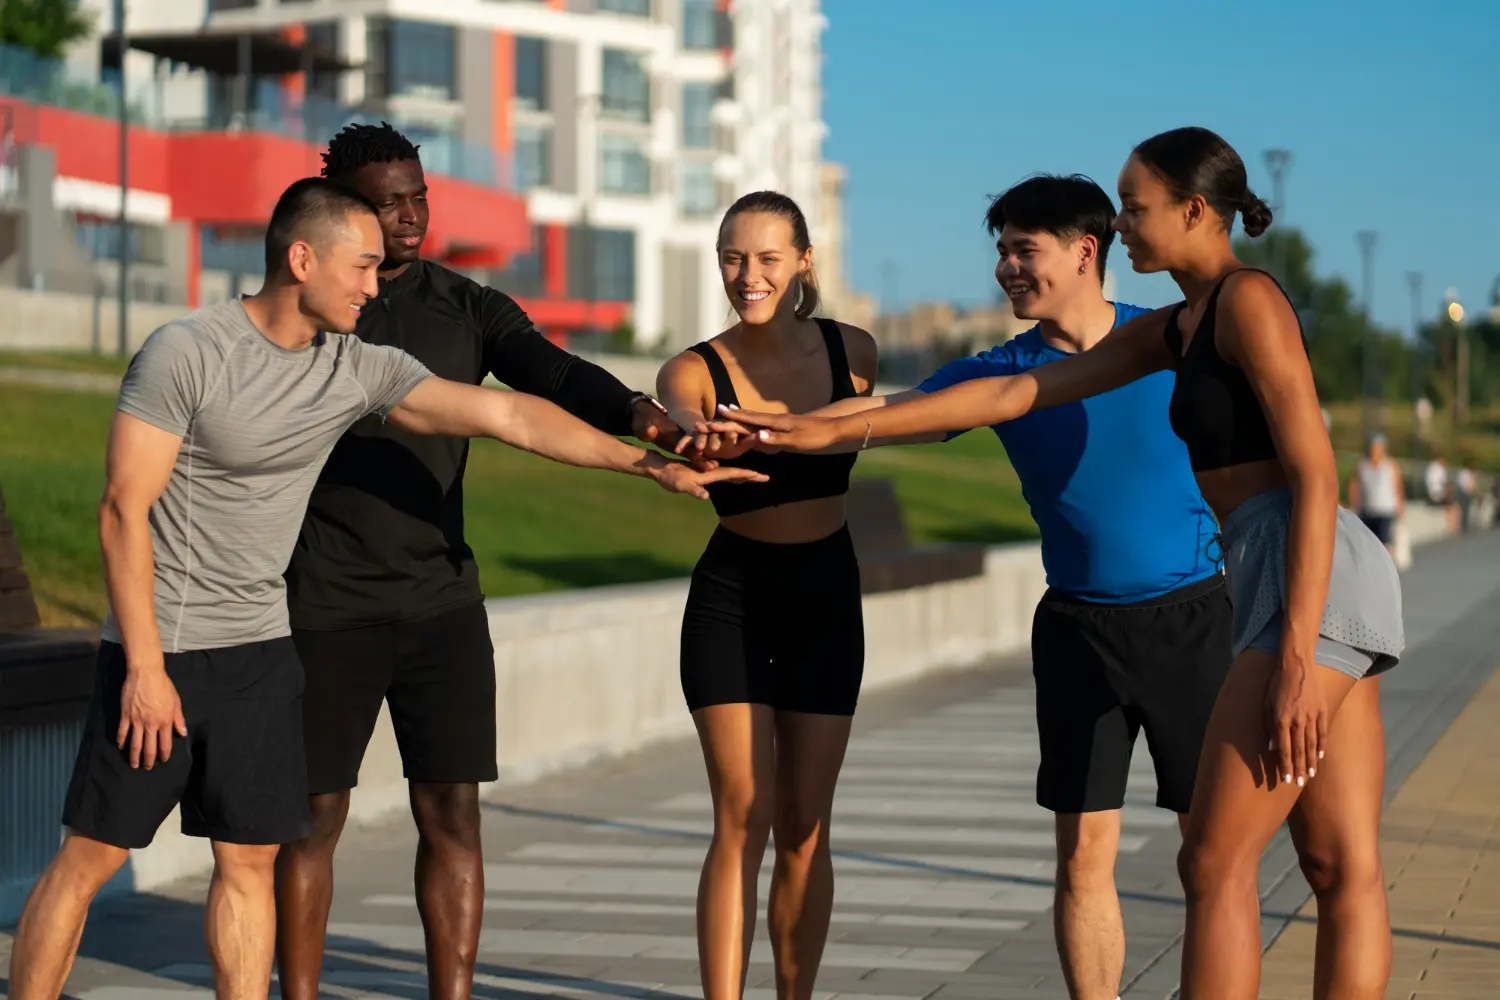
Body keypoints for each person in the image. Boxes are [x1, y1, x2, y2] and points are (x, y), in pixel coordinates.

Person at [4, 177, 759, 1000]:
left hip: (261, 651)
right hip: (167, 651)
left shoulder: (353, 367)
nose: (376, 283)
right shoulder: (188, 352)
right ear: (302, 259)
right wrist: (145, 669)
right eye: (361, 267)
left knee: (251, 864)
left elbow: (509, 416)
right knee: (93, 858)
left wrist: (649, 462)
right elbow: (121, 512)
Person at [713, 127, 1405, 1000]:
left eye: (1135, 206)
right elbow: (1009, 393)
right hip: (1263, 571)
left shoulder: (1249, 300)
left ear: (1194, 211)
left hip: (1306, 571)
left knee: (1217, 859)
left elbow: (1314, 471)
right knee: (1336, 862)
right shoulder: (1177, 328)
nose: (1123, 223)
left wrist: (1297, 653)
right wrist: (806, 426)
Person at [725, 173, 1229, 1000]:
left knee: (1208, 851)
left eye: (1022, 251)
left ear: (1084, 251)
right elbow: (888, 416)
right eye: (999, 252)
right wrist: (789, 430)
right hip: (1077, 631)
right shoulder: (999, 368)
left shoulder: (1166, 343)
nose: (1005, 269)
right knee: (1082, 861)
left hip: (1193, 621)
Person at [270, 122, 702, 1000]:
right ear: (342, 212)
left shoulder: (466, 306)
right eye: (386, 202)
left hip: (441, 603)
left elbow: (552, 375)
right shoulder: (316, 309)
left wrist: (648, 420)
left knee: (454, 816)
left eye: (418, 195)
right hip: (326, 602)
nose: (409, 215)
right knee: (312, 822)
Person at [654, 190, 877, 1000]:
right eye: (733, 259)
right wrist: (695, 431)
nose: (748, 276)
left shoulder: (853, 350)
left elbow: (870, 421)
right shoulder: (695, 366)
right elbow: (679, 411)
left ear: (804, 262)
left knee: (805, 825)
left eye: (767, 258)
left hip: (826, 593)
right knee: (740, 817)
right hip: (733, 598)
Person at [1347, 434, 1404, 554]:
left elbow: (1398, 487)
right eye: (1373, 448)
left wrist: (1400, 507)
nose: (1375, 451)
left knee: (1384, 543)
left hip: (1385, 510)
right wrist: (1353, 503)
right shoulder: (1363, 465)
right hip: (1367, 510)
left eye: (1378, 448)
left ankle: (1385, 568)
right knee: (1367, 543)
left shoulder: (1390, 465)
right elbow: (1354, 484)